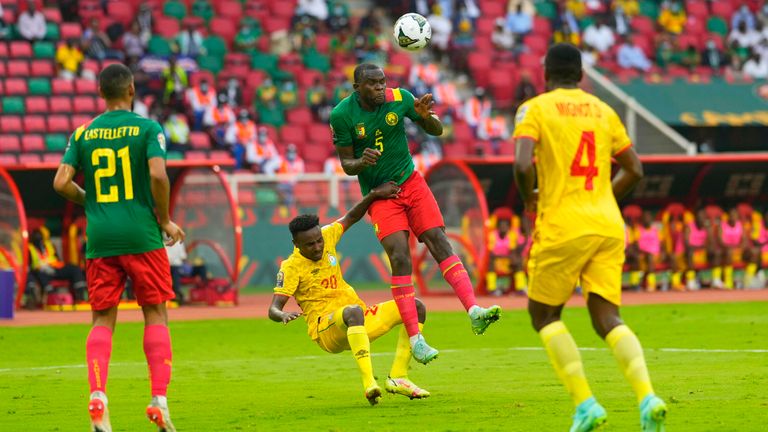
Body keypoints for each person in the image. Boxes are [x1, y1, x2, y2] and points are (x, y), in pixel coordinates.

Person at [513, 43, 667, 431]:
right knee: (607, 317)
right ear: (581, 75)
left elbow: (522, 164)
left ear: (546, 74)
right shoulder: (604, 111)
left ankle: (585, 404)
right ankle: (647, 398)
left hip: (563, 223)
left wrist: (529, 199)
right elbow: (635, 169)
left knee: (544, 315)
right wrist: (600, 198)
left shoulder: (535, 109)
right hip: (608, 224)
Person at [330, 64, 502, 364]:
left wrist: (425, 117)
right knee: (399, 256)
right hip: (381, 194)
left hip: (411, 181)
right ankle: (416, 339)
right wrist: (362, 162)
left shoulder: (401, 98)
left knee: (439, 240)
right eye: (372, 84)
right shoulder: (342, 115)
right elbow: (347, 165)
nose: (380, 88)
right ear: (357, 87)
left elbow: (437, 129)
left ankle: (474, 311)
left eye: (382, 81)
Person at [53, 63, 185, 432]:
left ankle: (98, 397)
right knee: (155, 313)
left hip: (101, 239)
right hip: (142, 236)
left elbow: (61, 182)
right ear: (131, 90)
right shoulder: (148, 128)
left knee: (102, 319)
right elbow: (158, 174)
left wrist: (92, 201)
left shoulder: (83, 133)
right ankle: (158, 400)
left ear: (100, 92)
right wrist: (164, 219)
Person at [269, 183, 433, 405]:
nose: (317, 247)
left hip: (357, 319)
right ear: (296, 244)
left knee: (415, 307)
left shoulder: (328, 235)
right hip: (326, 329)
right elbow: (273, 308)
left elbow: (352, 216)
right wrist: (282, 314)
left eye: (319, 241)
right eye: (310, 244)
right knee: (352, 312)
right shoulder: (290, 267)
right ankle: (369, 384)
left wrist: (373, 194)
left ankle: (398, 377)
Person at [684, 209, 714, 290]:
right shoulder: (689, 226)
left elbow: (711, 241)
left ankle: (714, 279)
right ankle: (691, 281)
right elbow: (686, 242)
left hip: (703, 251)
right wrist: (697, 248)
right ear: (695, 218)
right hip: (692, 250)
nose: (701, 219)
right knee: (689, 253)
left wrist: (704, 247)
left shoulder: (707, 227)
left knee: (715, 252)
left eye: (703, 217)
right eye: (699, 217)